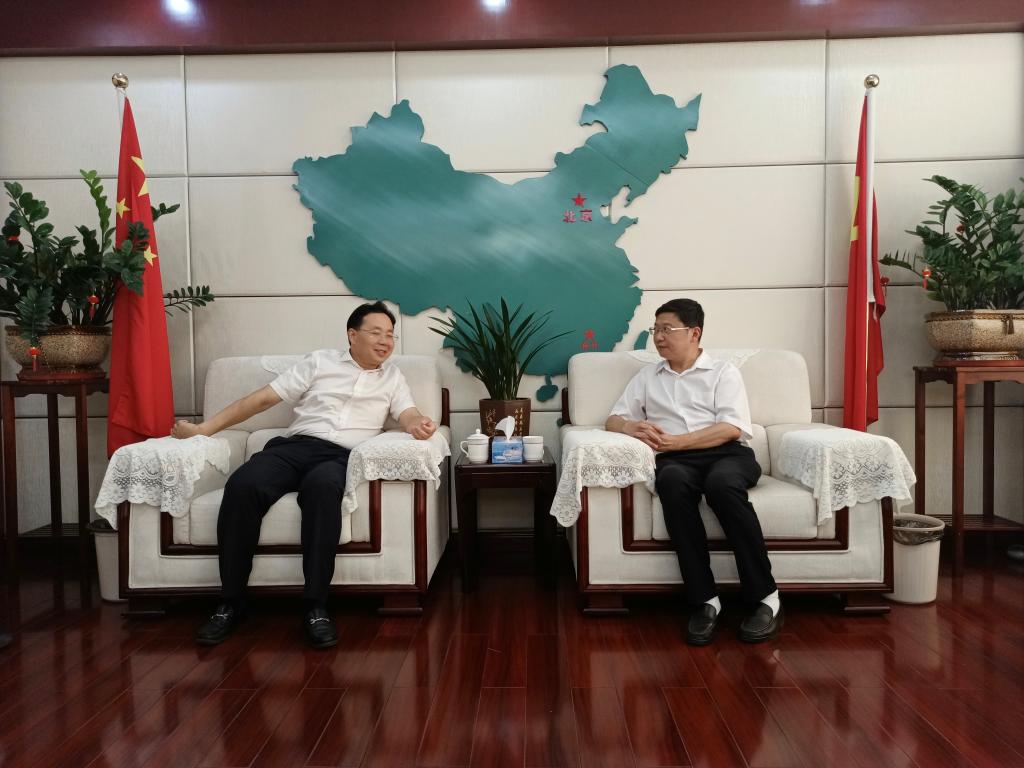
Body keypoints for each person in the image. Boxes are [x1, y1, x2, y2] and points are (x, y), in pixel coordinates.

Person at [171, 301, 436, 649]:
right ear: (352, 335)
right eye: (376, 332)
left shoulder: (393, 378)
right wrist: (204, 429)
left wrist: (418, 424)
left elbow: (408, 413)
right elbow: (262, 399)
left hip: (340, 457)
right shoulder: (320, 362)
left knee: (324, 490)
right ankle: (231, 603)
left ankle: (316, 607)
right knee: (243, 484)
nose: (385, 341)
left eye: (390, 335)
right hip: (294, 448)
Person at [605, 298, 782, 645]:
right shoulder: (648, 376)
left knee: (721, 485)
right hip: (677, 462)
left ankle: (766, 597)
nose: (658, 337)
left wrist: (677, 443)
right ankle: (705, 600)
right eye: (655, 329)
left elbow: (731, 427)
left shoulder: (723, 373)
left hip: (727, 454)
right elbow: (613, 418)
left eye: (666, 329)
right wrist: (630, 427)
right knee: (670, 481)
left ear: (694, 332)